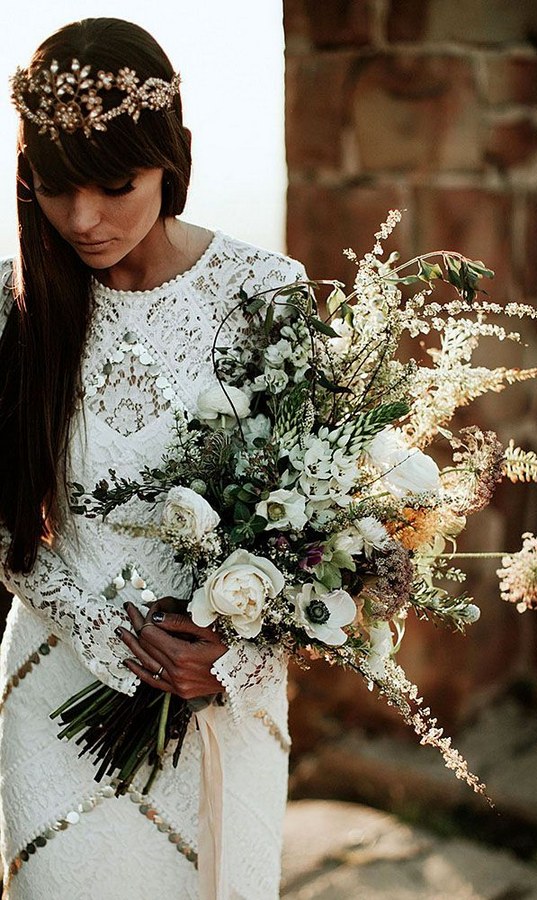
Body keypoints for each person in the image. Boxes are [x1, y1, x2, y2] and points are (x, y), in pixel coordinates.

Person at [0, 17, 304, 899]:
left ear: (173, 155)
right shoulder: (16, 310)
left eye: (114, 184)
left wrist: (231, 650)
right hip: (55, 693)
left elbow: (318, 525)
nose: (84, 220)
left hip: (224, 699)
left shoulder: (265, 293)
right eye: (56, 189)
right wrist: (116, 638)